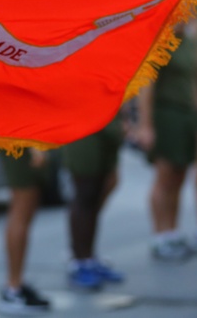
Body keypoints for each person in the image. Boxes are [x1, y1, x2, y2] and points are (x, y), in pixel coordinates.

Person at [134, 23, 197, 261]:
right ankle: (159, 235)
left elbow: (194, 81)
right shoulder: (160, 41)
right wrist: (146, 125)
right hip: (166, 113)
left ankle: (172, 232)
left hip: (186, 115)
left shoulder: (189, 42)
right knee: (164, 176)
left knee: (179, 175)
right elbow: (147, 86)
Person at [62, 113, 126, 291]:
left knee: (100, 187)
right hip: (80, 118)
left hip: (108, 117)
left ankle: (89, 257)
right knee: (85, 192)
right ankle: (80, 262)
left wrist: (125, 116)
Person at [0, 148, 53, 313]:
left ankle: (16, 284)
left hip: (24, 140)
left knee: (26, 208)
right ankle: (13, 289)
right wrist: (34, 146)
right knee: (22, 207)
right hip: (21, 141)